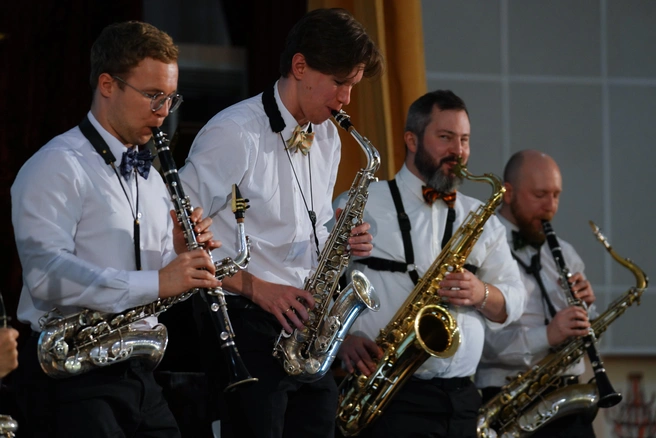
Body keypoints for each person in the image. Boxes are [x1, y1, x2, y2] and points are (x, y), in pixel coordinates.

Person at [177, 7, 383, 438]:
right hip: (242, 320)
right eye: (339, 82)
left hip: (303, 325)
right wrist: (258, 288)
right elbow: (176, 232)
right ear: (300, 66)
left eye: (352, 85)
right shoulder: (234, 132)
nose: (347, 99)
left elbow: (310, 225)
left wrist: (340, 238)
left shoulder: (328, 136)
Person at [10, 21, 221, 438]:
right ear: (108, 85)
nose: (163, 111)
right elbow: (47, 276)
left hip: (139, 371)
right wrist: (159, 281)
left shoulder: (154, 180)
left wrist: (179, 256)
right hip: (72, 374)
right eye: (153, 95)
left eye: (170, 98)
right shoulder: (56, 165)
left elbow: (150, 288)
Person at [333, 89, 526, 438]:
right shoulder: (361, 204)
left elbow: (515, 299)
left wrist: (481, 293)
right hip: (385, 392)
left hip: (461, 399)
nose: (459, 151)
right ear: (412, 140)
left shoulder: (481, 217)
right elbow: (317, 284)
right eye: (446, 137)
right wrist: (340, 341)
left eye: (464, 139)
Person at [475, 149, 597, 437]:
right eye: (540, 195)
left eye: (556, 195)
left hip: (568, 400)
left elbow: (588, 337)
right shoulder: (481, 250)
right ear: (508, 193)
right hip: (510, 402)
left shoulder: (566, 253)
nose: (550, 206)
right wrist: (548, 335)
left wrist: (587, 312)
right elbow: (482, 344)